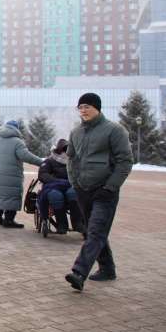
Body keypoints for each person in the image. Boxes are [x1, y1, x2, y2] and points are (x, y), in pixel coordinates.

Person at [65, 93, 133, 292]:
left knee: (95, 232)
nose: (83, 110)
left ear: (97, 108)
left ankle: (79, 272)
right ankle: (107, 269)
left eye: (87, 106)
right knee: (94, 231)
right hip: (83, 190)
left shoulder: (114, 130)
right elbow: (71, 159)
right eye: (80, 107)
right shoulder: (76, 132)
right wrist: (75, 183)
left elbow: (125, 161)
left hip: (105, 192)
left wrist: (110, 187)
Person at [0, 119, 43, 228]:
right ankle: (9, 220)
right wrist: (43, 162)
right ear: (16, 129)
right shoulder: (17, 142)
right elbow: (26, 156)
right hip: (12, 176)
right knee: (11, 195)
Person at [37, 138, 83, 234]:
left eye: (66, 150)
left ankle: (78, 223)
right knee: (55, 196)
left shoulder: (74, 162)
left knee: (73, 193)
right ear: (58, 150)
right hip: (54, 186)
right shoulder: (49, 161)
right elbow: (43, 174)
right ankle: (62, 224)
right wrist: (57, 181)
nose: (64, 152)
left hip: (70, 185)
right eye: (63, 149)